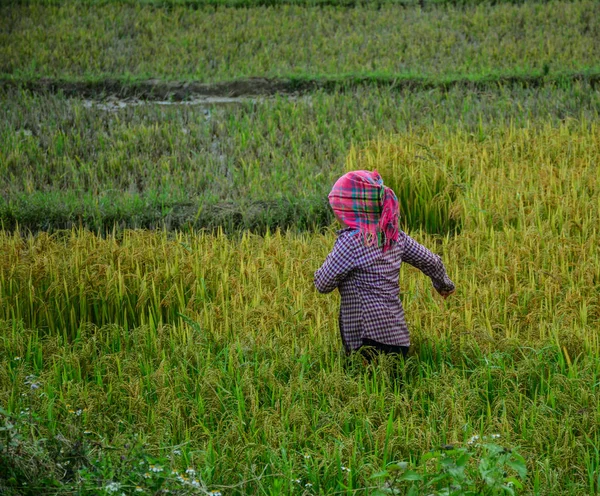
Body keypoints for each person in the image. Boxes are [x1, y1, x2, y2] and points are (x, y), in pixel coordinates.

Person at [314, 170, 455, 362]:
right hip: (397, 339)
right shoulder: (395, 237)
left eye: (338, 209)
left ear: (350, 210)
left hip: (365, 340)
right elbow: (431, 261)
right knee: (394, 389)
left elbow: (323, 284)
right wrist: (444, 285)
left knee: (367, 390)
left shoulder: (351, 241)